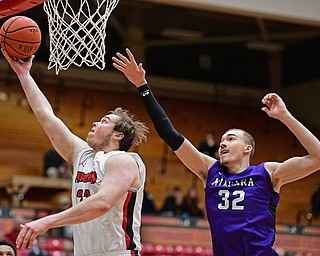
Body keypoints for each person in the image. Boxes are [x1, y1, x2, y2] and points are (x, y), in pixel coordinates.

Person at [112, 48, 320, 255]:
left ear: (248, 148)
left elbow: (317, 157)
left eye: (231, 139)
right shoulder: (210, 170)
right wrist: (142, 86)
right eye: (221, 140)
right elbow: (169, 134)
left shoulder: (267, 173)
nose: (222, 144)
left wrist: (284, 116)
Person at [2, 49, 149, 256]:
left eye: (105, 121)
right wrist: (24, 75)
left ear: (118, 136)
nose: (96, 122)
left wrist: (47, 222)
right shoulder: (82, 155)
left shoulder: (124, 160)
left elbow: (103, 202)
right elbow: (46, 115)